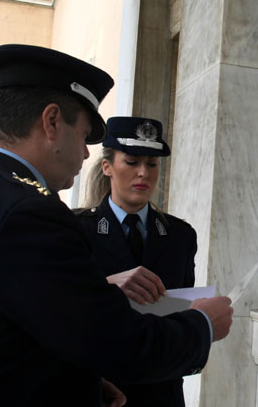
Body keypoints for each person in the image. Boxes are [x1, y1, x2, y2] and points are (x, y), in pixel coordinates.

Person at [0, 44, 233, 407]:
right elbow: (121, 345)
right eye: (82, 135)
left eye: (152, 164)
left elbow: (12, 327)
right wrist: (203, 324)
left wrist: (77, 381)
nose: (86, 152)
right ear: (51, 122)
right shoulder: (30, 214)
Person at [75, 116, 197, 406]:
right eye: (131, 162)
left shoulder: (180, 235)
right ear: (107, 167)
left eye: (152, 164)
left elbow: (180, 308)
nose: (143, 173)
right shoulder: (76, 229)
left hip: (162, 390)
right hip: (100, 388)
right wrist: (106, 287)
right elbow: (58, 310)